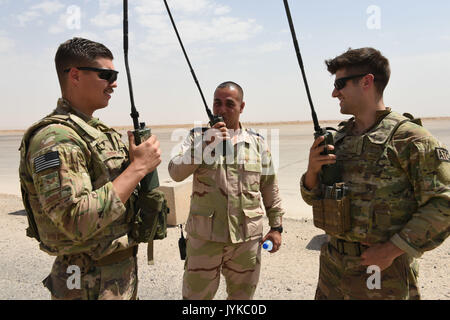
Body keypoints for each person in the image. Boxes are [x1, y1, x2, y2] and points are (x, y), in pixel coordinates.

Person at [300, 47, 450, 300]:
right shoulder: (340, 139)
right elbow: (314, 198)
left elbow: (443, 204)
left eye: (340, 83)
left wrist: (392, 250)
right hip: (333, 270)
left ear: (366, 81)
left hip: (383, 274)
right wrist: (312, 173)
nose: (334, 92)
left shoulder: (410, 139)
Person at [18, 37, 162, 300]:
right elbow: (74, 219)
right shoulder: (57, 138)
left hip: (115, 276)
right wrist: (138, 168)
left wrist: (133, 165)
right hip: (86, 281)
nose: (114, 83)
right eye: (106, 75)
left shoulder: (93, 131)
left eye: (115, 75)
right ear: (75, 75)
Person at [168, 81, 285, 300]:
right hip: (205, 239)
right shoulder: (197, 137)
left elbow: (269, 186)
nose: (221, 109)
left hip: (246, 241)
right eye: (217, 103)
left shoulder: (257, 143)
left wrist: (276, 226)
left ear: (242, 107)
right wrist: (205, 144)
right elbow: (175, 172)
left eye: (229, 104)